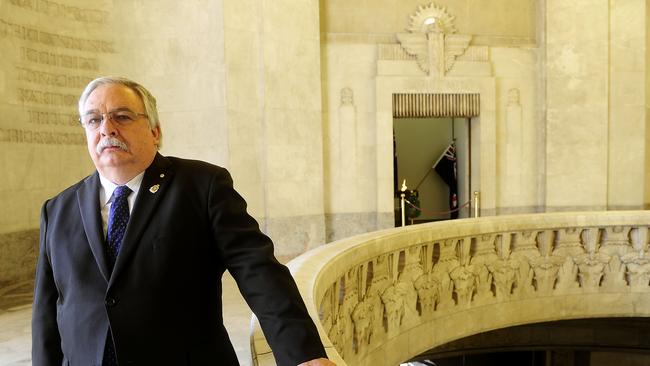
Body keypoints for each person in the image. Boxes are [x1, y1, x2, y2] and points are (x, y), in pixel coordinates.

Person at [32, 76, 336, 366]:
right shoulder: (57, 209)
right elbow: (46, 315)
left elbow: (259, 271)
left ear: (155, 131)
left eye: (122, 116)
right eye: (94, 120)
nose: (107, 129)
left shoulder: (203, 186)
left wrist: (302, 352)